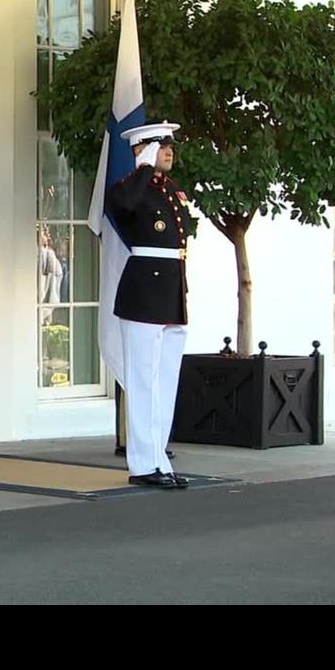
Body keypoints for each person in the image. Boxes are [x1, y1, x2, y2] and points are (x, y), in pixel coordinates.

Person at [106, 120, 192, 489]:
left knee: (165, 381)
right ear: (143, 149)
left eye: (171, 145)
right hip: (143, 293)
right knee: (143, 381)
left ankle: (160, 457)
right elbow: (122, 206)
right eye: (161, 145)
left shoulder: (169, 191)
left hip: (171, 290)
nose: (169, 151)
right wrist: (143, 166)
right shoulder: (130, 188)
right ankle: (142, 464)